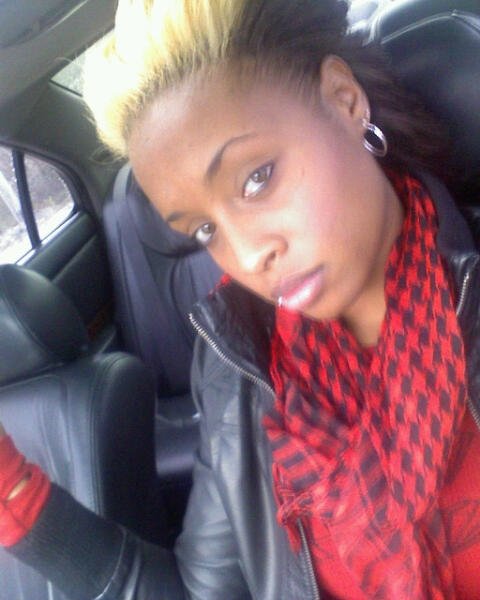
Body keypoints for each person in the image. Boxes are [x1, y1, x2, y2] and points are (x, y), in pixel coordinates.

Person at [1, 0, 480, 598]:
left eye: (257, 178)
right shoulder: (237, 371)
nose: (248, 257)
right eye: (205, 230)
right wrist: (15, 498)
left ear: (344, 100)